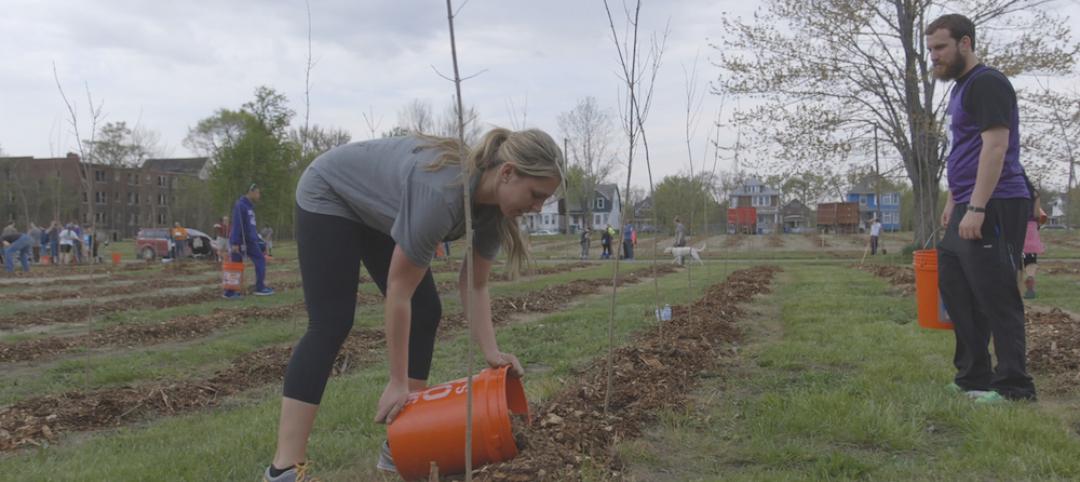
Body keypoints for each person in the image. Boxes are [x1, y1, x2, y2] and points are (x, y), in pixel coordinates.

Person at [264, 128, 562, 481]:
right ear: (508, 172)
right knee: (331, 322)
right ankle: (284, 469)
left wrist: (492, 353)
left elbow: (474, 284)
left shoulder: (496, 210)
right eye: (536, 194)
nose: (538, 207)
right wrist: (396, 380)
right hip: (331, 192)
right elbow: (399, 290)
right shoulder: (440, 193)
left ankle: (406, 437)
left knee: (426, 311)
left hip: (377, 209)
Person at [929, 14, 1036, 402]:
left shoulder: (987, 83)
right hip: (968, 203)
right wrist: (953, 200)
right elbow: (967, 150)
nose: (934, 57)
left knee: (996, 294)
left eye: (940, 48)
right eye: (930, 50)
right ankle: (973, 377)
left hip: (996, 201)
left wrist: (976, 207)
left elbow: (995, 147)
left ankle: (1014, 388)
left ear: (966, 43)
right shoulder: (960, 89)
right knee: (957, 288)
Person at [227, 184, 273, 299]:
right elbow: (237, 225)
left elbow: (250, 226)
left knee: (240, 264)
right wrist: (235, 243)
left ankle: (232, 291)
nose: (259, 195)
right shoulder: (240, 205)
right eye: (257, 193)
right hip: (243, 241)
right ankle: (258, 288)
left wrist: (258, 240)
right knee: (239, 264)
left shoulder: (249, 207)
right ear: (251, 192)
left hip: (251, 240)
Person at [1021, 189, 1047, 299]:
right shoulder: (1034, 193)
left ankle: (1016, 288)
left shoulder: (1013, 188)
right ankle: (1030, 277)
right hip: (1031, 226)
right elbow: (1037, 214)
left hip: (1016, 225)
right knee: (1030, 260)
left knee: (1016, 260)